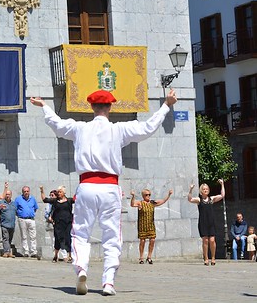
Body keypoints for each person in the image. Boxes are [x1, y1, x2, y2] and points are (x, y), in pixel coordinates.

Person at [30, 88, 177, 296]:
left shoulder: (79, 128)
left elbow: (57, 125)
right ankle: (108, 282)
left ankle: (81, 269)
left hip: (86, 186)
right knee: (111, 236)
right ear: (110, 107)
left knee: (80, 233)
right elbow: (147, 128)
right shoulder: (119, 130)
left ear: (91, 107)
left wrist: (44, 106)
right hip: (110, 188)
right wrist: (166, 105)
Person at [188, 179, 225, 266]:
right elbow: (190, 199)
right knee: (205, 240)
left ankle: (213, 257)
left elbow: (222, 195)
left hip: (211, 222)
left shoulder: (211, 199)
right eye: (204, 189)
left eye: (207, 189)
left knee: (212, 240)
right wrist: (190, 189)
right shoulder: (199, 199)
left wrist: (222, 184)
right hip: (203, 222)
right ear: (201, 191)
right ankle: (206, 258)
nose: (205, 190)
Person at [130, 188, 173, 264]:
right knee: (142, 241)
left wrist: (169, 195)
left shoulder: (152, 203)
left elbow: (163, 201)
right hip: (143, 225)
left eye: (149, 194)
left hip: (151, 225)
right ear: (143, 196)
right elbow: (132, 204)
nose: (148, 196)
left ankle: (149, 257)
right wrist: (133, 196)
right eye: (146, 195)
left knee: (152, 240)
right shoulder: (140, 203)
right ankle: (141, 257)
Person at [41, 185, 74, 263]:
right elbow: (45, 200)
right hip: (58, 223)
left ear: (64, 193)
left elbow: (78, 199)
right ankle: (56, 255)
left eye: (60, 192)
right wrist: (42, 190)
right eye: (58, 192)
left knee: (68, 238)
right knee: (58, 239)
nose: (58, 193)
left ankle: (70, 256)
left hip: (68, 223)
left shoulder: (69, 200)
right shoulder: (55, 201)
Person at [14, 185, 39, 258]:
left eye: (27, 191)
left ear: (29, 191)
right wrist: (20, 215)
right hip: (22, 219)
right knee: (24, 236)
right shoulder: (18, 199)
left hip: (31, 219)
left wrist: (30, 214)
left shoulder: (33, 199)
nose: (26, 192)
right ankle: (26, 251)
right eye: (24, 191)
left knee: (33, 236)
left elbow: (35, 208)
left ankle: (33, 251)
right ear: (22, 192)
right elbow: (15, 209)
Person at [0, 182, 17, 258]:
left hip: (12, 224)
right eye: (6, 194)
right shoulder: (1, 203)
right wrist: (1, 221)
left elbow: (16, 212)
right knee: (5, 238)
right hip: (4, 224)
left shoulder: (14, 204)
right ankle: (6, 252)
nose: (8, 195)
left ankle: (9, 252)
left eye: (9, 194)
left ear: (11, 195)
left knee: (10, 239)